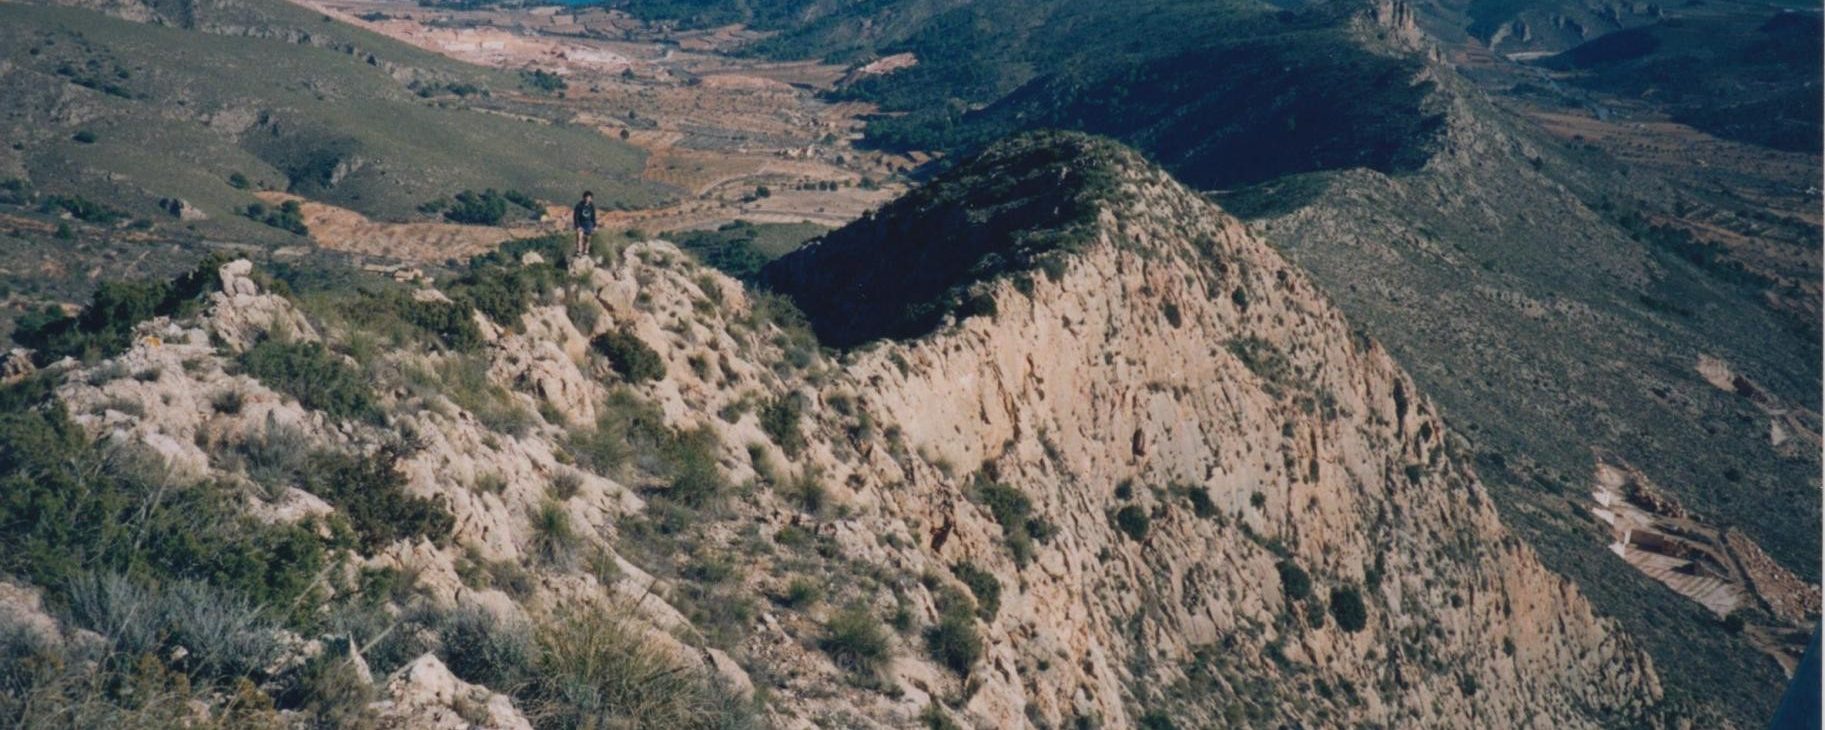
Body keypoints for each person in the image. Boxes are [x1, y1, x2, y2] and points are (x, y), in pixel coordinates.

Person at [572, 191, 597, 259]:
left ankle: (586, 251)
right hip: (581, 223)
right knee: (579, 237)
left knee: (588, 239)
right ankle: (579, 251)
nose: (587, 199)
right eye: (586, 197)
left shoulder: (592, 206)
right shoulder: (579, 205)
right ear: (584, 198)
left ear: (591, 199)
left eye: (589, 198)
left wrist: (594, 225)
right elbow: (575, 216)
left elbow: (593, 216)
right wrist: (578, 226)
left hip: (589, 224)